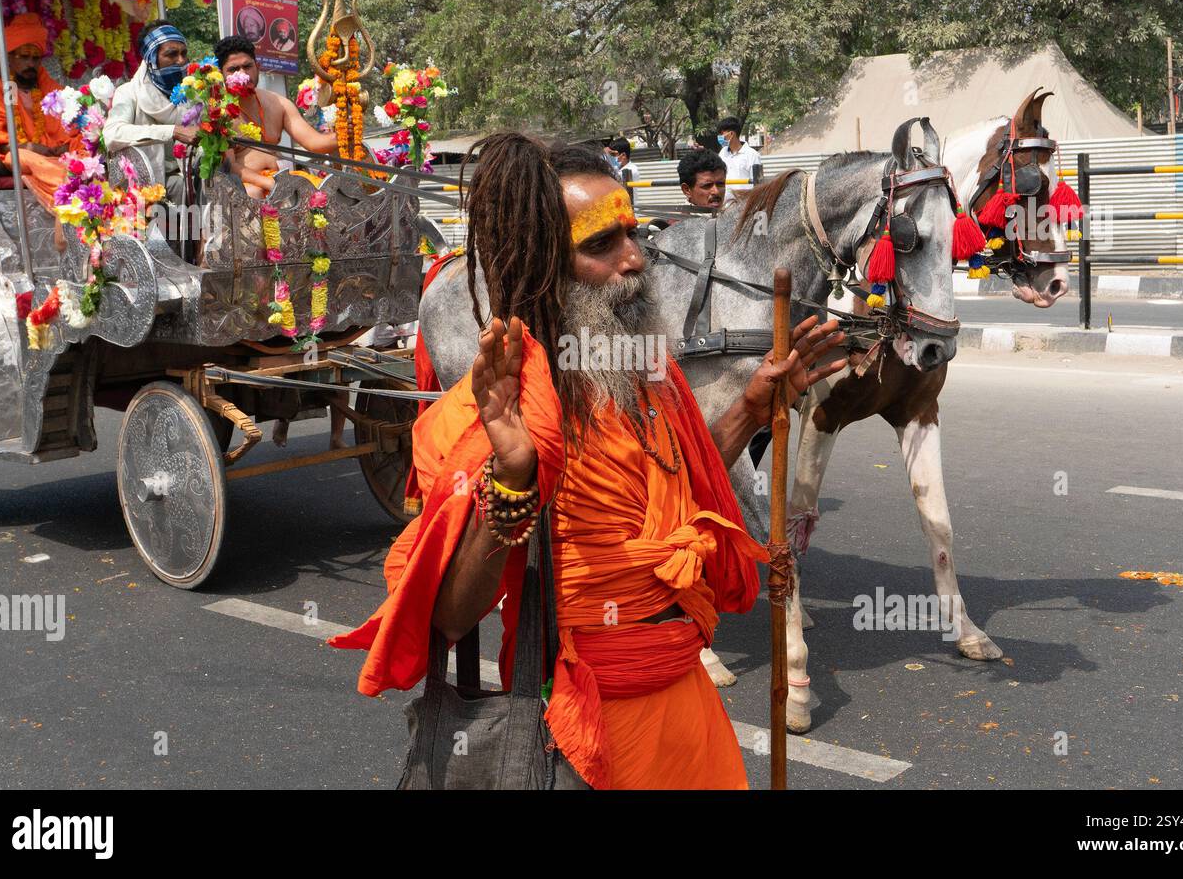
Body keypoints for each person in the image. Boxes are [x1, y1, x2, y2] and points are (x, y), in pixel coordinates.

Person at [330, 133, 847, 789]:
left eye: (631, 232)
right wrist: (514, 476)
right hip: (585, 726)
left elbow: (679, 493)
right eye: (601, 244)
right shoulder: (515, 403)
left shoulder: (650, 374)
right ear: (546, 267)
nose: (636, 258)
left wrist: (749, 408)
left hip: (687, 703)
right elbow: (453, 617)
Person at [0, 13, 78, 213]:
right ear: (10, 58)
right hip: (19, 153)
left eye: (35, 58)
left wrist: (63, 145)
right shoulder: (3, 89)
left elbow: (70, 125)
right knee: (24, 156)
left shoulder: (49, 89)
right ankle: (66, 195)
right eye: (24, 57)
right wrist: (30, 147)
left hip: (55, 153)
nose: (30, 64)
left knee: (85, 147)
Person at [214, 35, 337, 198]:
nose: (243, 74)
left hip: (280, 181)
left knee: (321, 193)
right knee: (254, 193)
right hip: (247, 187)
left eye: (247, 66)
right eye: (233, 69)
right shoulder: (218, 112)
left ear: (257, 67)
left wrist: (345, 132)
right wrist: (269, 183)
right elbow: (229, 166)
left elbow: (314, 143)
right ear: (220, 74)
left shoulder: (279, 103)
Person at [103, 19, 199, 203]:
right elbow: (112, 134)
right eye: (171, 55)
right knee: (180, 187)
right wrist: (172, 131)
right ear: (151, 58)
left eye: (183, 53)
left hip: (190, 176)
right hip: (147, 188)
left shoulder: (192, 92)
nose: (180, 61)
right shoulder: (129, 92)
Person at [716, 116, 761, 201]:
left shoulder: (752, 155)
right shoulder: (722, 153)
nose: (719, 137)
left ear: (732, 134)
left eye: (722, 134)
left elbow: (758, 186)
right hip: (725, 204)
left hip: (744, 205)